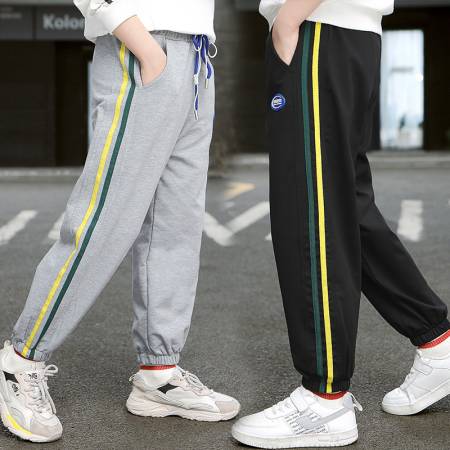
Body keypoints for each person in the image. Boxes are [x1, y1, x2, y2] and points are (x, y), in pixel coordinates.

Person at [0, 0, 239, 443]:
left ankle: (158, 374)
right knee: (104, 222)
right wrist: (145, 48)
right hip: (142, 45)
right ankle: (21, 359)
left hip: (197, 58)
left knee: (175, 227)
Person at [232, 0, 450, 447]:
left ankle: (325, 397)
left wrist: (288, 20)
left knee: (309, 210)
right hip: (339, 32)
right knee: (344, 205)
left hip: (316, 28)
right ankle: (438, 342)